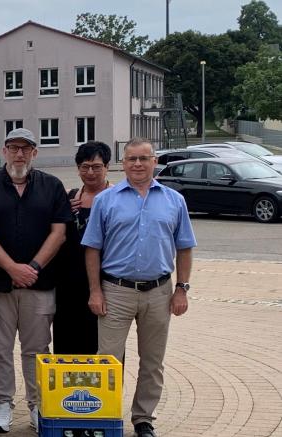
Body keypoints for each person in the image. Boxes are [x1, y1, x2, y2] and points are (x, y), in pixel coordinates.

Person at [82, 138, 196, 437]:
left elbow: (184, 248)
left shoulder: (174, 200)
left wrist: (181, 289)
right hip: (115, 291)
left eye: (143, 159)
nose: (137, 164)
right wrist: (95, 290)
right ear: (123, 162)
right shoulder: (106, 200)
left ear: (154, 161)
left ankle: (143, 418)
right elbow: (92, 248)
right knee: (108, 360)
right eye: (131, 159)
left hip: (159, 292)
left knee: (152, 360)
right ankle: (105, 415)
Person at [0, 128, 71, 432]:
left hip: (39, 284)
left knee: (37, 349)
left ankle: (38, 406)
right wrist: (12, 267)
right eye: (13, 148)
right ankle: (2, 405)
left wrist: (34, 266)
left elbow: (59, 232)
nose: (19, 154)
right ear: (4, 150)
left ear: (34, 153)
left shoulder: (52, 186)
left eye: (25, 149)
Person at [53, 142, 113, 354]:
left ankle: (100, 388)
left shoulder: (117, 198)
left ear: (107, 167)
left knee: (102, 344)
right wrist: (62, 213)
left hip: (105, 283)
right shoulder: (68, 198)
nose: (90, 172)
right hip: (68, 286)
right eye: (84, 166)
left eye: (96, 167)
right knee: (66, 341)